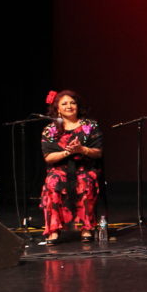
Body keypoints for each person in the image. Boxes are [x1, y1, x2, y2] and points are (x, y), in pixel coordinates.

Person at [40, 90, 103, 243]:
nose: (69, 106)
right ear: (57, 109)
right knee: (53, 181)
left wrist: (82, 150)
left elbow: (98, 152)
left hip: (84, 168)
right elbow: (48, 157)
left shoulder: (91, 126)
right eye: (64, 103)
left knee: (85, 181)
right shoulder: (50, 130)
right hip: (59, 170)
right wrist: (67, 152)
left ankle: (87, 227)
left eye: (72, 103)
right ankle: (53, 229)